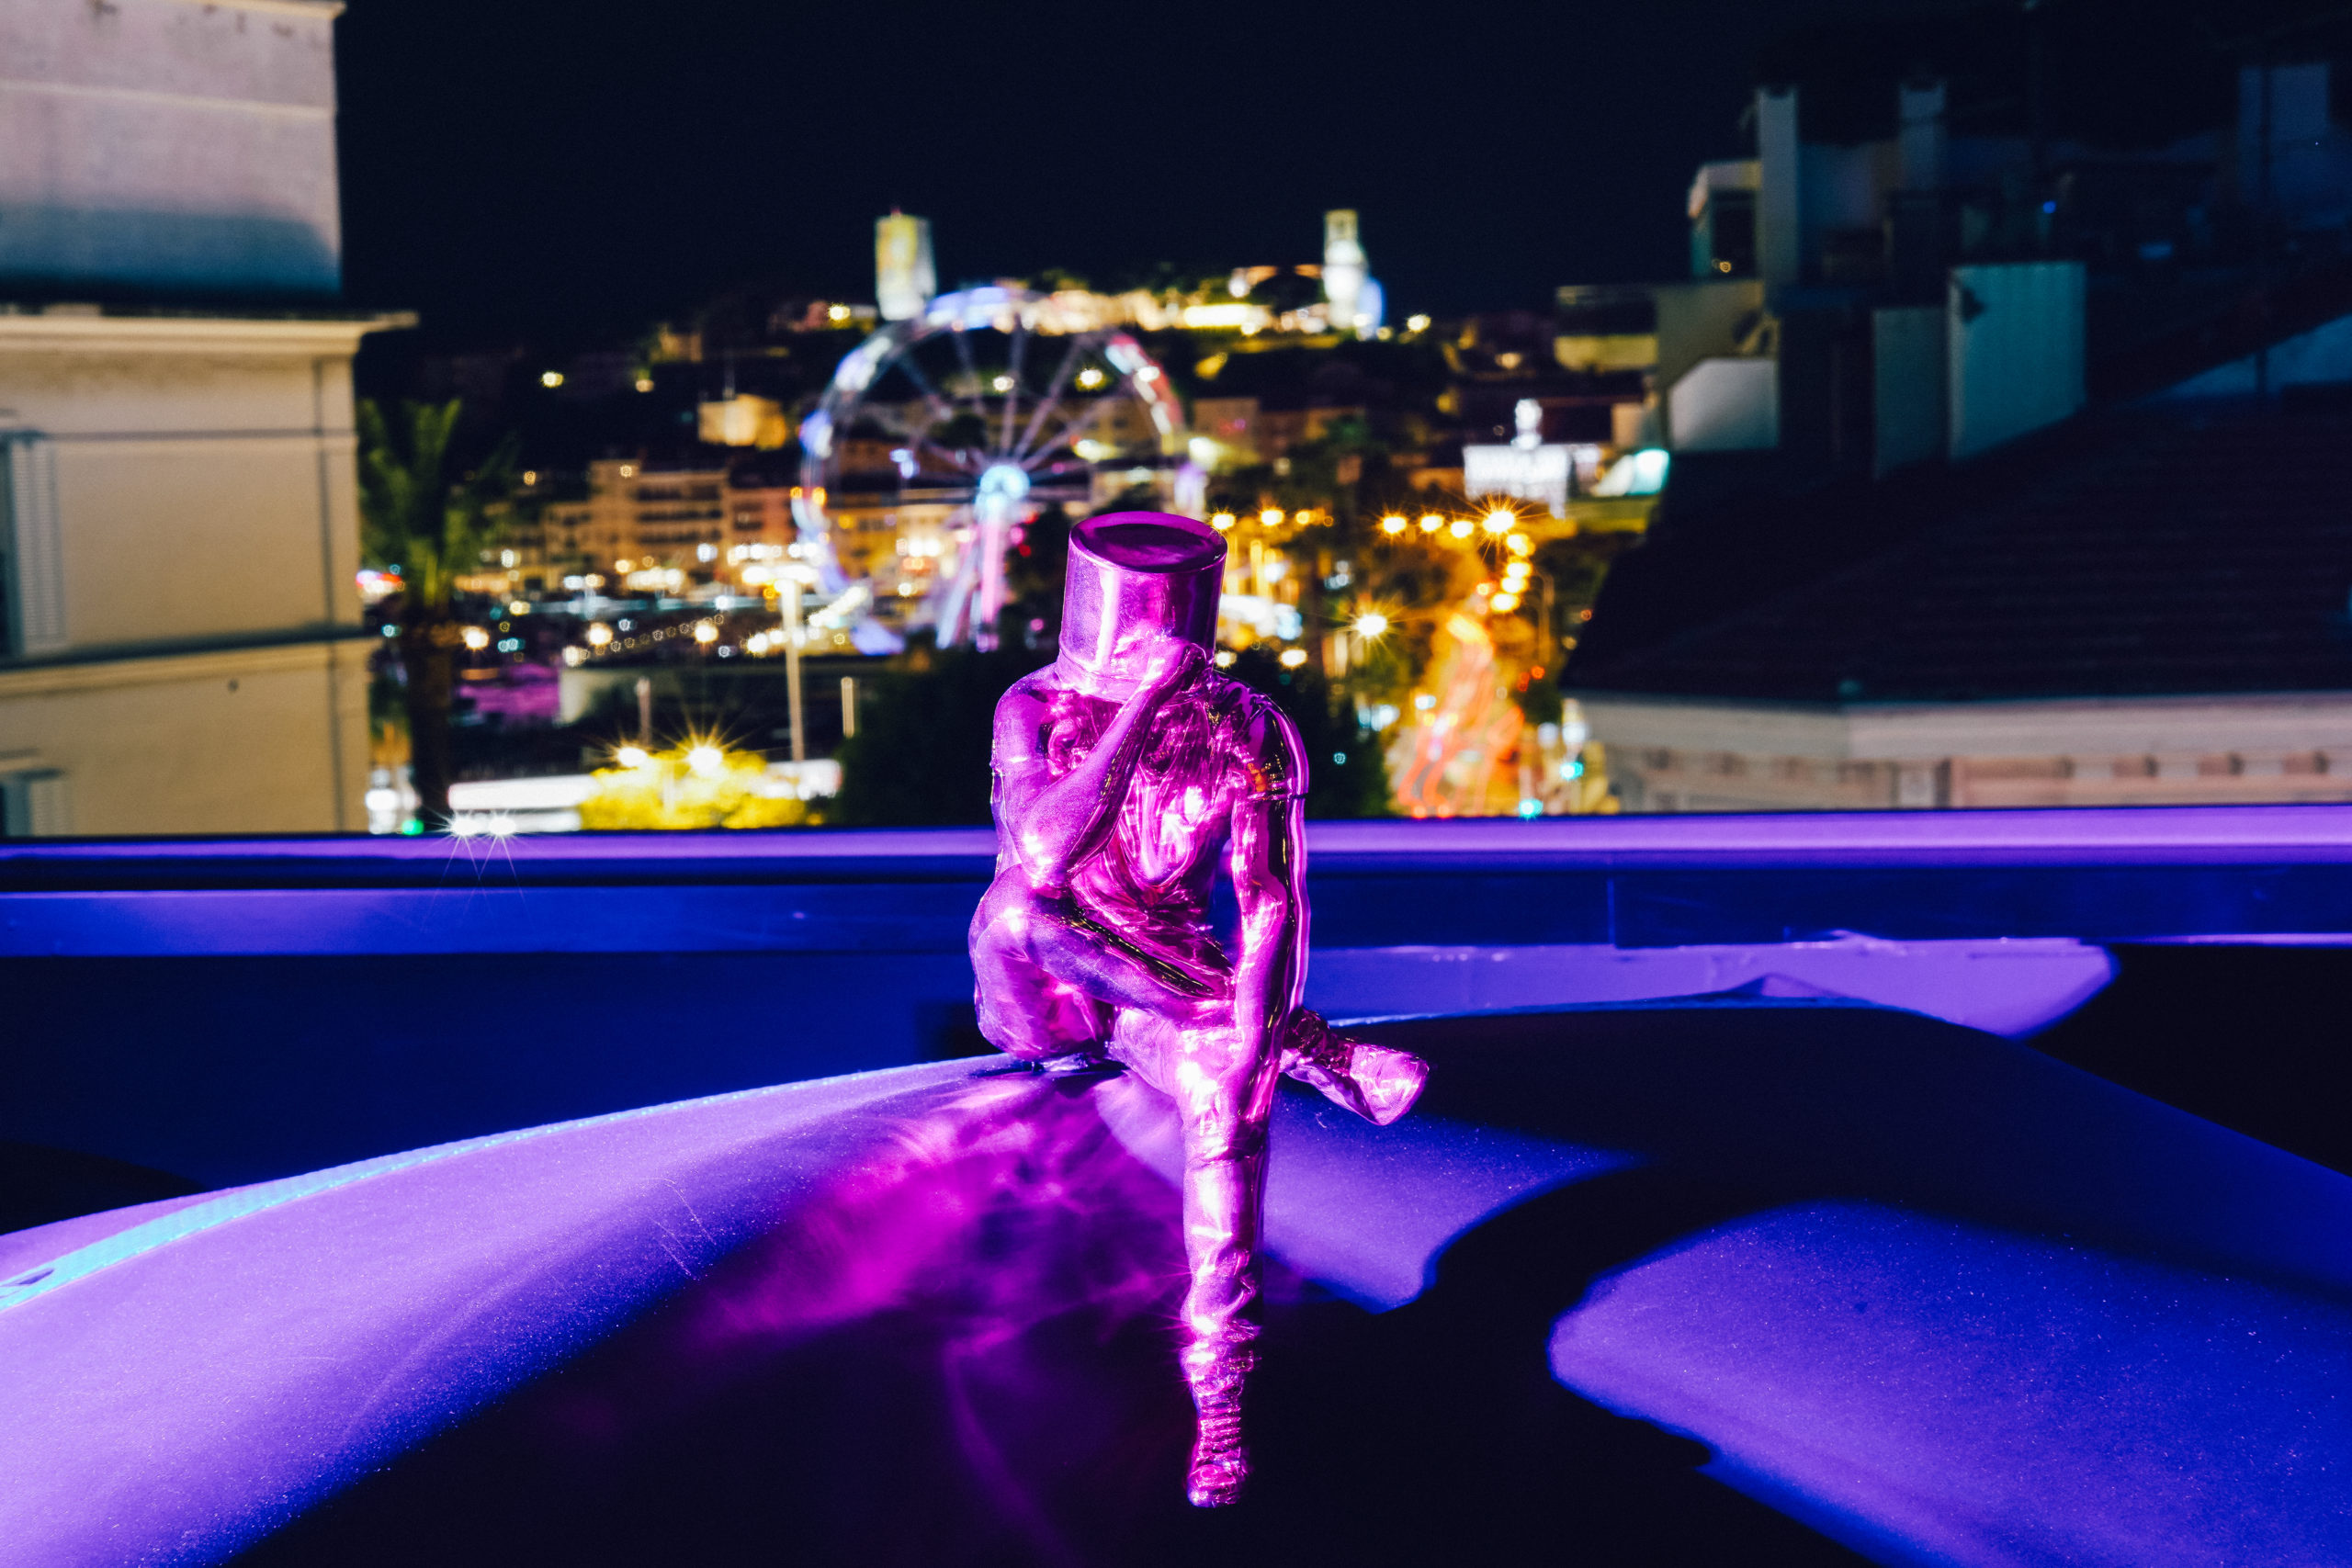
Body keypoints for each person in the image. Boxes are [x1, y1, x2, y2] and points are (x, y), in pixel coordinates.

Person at [967, 511, 1428, 1506]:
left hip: (1164, 981)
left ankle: (1220, 1397)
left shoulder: (1251, 730)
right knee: (1011, 913)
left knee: (1228, 1105)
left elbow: (1273, 901)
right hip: (1044, 991)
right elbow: (1039, 860)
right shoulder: (1031, 706)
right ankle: (1320, 1050)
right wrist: (1138, 710)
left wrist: (1251, 1039)